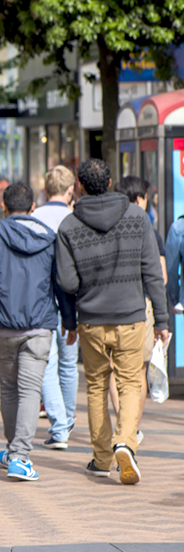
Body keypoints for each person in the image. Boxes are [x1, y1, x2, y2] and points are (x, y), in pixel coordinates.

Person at [56, 159, 168, 484]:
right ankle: (125, 442)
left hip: (91, 319)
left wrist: (70, 320)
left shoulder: (68, 226)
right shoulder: (137, 217)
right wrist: (161, 320)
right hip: (131, 317)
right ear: (109, 183)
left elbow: (66, 281)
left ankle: (103, 458)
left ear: (79, 186)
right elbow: (152, 274)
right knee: (132, 383)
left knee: (96, 386)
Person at [0, 182, 76, 481]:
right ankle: (19, 456)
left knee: (8, 389)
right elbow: (62, 285)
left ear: (3, 207)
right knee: (30, 390)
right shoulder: (50, 239)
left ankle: (12, 449)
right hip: (39, 326)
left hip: (2, 327)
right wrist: (70, 322)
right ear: (32, 207)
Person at [110, 176, 167, 445]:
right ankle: (131, 429)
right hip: (140, 306)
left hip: (107, 305)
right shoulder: (148, 230)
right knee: (138, 371)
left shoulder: (106, 225)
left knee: (112, 370)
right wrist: (162, 320)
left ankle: (122, 424)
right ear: (140, 198)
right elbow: (161, 276)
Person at [31, 165, 80, 450]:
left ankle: (59, 426)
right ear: (71, 190)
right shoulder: (74, 219)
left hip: (41, 299)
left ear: (45, 190)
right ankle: (69, 418)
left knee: (47, 364)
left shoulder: (34, 218)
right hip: (70, 298)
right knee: (68, 362)